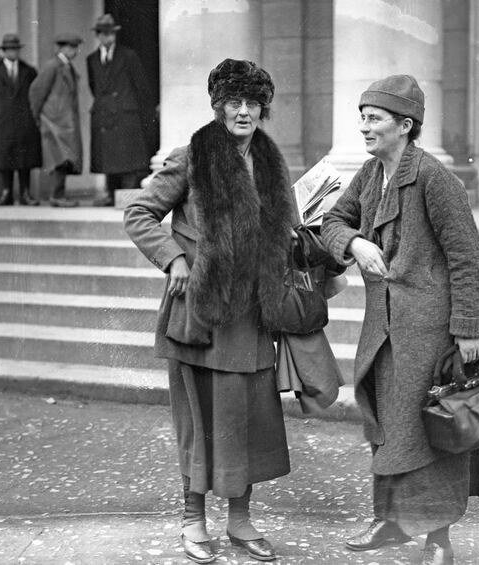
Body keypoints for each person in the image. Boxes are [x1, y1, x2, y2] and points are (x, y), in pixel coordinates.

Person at [320, 75, 479, 565]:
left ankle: (438, 540)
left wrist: (467, 330)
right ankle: (390, 521)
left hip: (433, 331)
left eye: (375, 118)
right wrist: (355, 243)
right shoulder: (369, 174)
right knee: (389, 425)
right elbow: (330, 222)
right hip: (384, 331)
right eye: (362, 116)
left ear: (405, 126)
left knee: (436, 429)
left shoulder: (434, 177)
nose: (364, 126)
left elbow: (468, 257)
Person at [124, 58, 294, 564]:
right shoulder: (192, 156)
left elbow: (284, 226)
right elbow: (139, 212)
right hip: (198, 313)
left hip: (251, 314)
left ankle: (240, 520)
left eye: (253, 103)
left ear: (263, 108)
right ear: (219, 107)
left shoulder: (271, 162)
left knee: (250, 418)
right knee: (199, 419)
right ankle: (192, 519)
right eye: (234, 102)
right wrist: (173, 257)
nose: (244, 112)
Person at [87, 14, 151, 206]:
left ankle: (126, 196)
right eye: (104, 34)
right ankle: (110, 194)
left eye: (111, 34)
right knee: (107, 156)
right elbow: (94, 86)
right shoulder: (91, 59)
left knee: (127, 157)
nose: (108, 38)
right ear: (98, 36)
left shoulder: (128, 55)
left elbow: (140, 85)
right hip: (105, 113)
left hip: (125, 112)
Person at [0, 34, 42, 206]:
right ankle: (6, 192)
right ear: (4, 51)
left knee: (25, 158)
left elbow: (35, 95)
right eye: (9, 49)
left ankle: (25, 193)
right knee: (4, 157)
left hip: (24, 121)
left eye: (15, 49)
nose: (13, 52)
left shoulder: (29, 71)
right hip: (3, 121)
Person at [29, 33, 84, 207]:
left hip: (64, 122)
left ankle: (59, 195)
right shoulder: (52, 66)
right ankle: (56, 196)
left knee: (64, 159)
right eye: (72, 47)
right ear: (64, 48)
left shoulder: (66, 66)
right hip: (55, 122)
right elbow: (36, 92)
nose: (75, 51)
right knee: (59, 159)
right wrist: (39, 116)